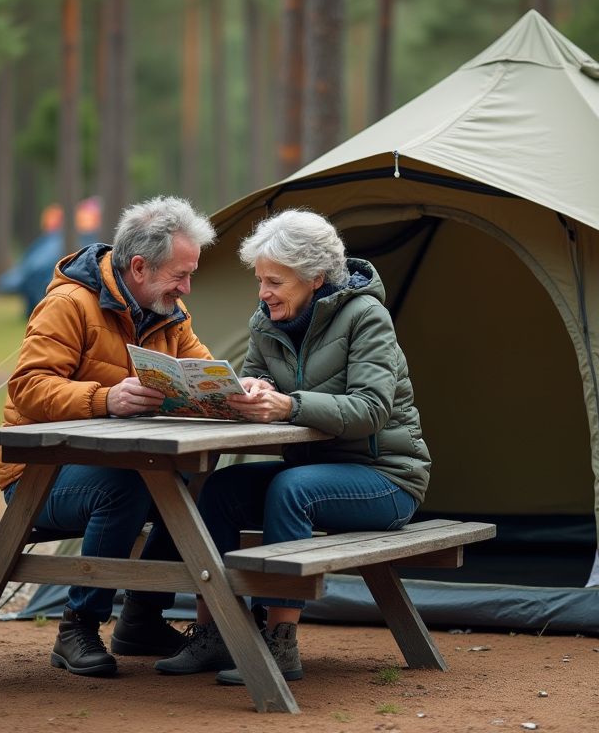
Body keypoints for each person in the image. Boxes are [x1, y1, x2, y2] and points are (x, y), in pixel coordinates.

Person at [153, 209, 432, 685]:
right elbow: (256, 376)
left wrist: (290, 405)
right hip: (313, 468)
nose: (263, 293)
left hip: (386, 478)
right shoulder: (266, 323)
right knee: (217, 491)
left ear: (315, 277)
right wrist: (249, 389)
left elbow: (371, 409)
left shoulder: (367, 317)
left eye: (275, 282)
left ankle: (280, 641)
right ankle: (217, 631)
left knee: (291, 489)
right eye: (260, 280)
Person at [0, 196, 217, 677]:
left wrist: (238, 391)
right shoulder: (68, 304)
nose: (186, 288)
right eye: (180, 275)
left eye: (190, 275)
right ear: (139, 267)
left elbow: (201, 374)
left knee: (199, 480)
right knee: (125, 486)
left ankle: (141, 618)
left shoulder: (169, 312)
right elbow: (28, 388)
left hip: (117, 467)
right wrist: (105, 399)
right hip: (36, 475)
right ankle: (77, 626)